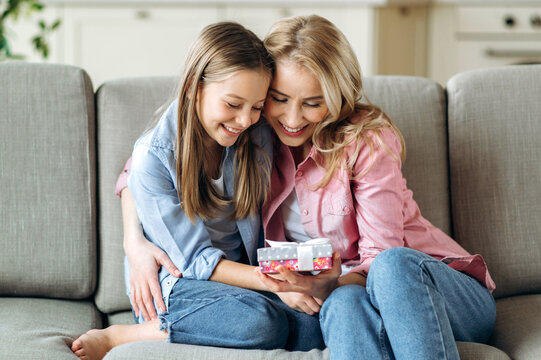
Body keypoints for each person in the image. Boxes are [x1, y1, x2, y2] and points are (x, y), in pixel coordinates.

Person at [116, 15, 497, 360]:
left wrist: (329, 283)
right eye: (278, 100)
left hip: (433, 289)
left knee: (389, 268)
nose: (293, 119)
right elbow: (144, 164)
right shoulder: (256, 133)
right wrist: (134, 242)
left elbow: (380, 258)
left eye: (313, 103)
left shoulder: (362, 143)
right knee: (342, 306)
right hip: (350, 293)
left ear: (335, 98)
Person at [71, 21, 330, 360]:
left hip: (241, 278)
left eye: (256, 107)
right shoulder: (156, 156)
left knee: (316, 324)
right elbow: (195, 262)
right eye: (233, 104)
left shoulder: (256, 133)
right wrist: (274, 284)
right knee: (261, 324)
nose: (245, 120)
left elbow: (128, 176)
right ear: (194, 85)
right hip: (180, 285)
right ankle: (127, 335)